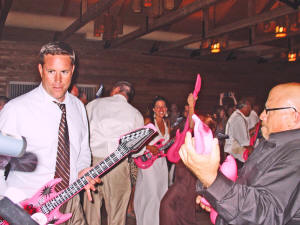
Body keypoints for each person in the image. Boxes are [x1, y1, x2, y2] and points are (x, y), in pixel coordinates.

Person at [0, 41, 100, 225]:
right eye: (51, 71)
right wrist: (9, 210)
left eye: (64, 72)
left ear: (73, 71)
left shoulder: (78, 107)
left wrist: (81, 171)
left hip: (70, 203)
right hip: (26, 207)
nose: (58, 80)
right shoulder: (16, 109)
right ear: (40, 70)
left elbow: (83, 152)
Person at [179, 82, 300, 225]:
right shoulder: (273, 144)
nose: (261, 116)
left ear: (294, 116)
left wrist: (212, 179)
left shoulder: (296, 155)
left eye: (268, 110)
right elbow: (249, 188)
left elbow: (265, 214)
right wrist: (216, 198)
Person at [83, 81, 144, 225]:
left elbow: (81, 132)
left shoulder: (93, 105)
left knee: (91, 211)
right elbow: (138, 150)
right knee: (117, 212)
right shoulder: (135, 114)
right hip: (118, 164)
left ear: (116, 89)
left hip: (93, 163)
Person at [159, 93, 198, 225]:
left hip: (189, 169)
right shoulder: (182, 122)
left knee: (169, 205)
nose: (187, 112)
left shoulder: (197, 122)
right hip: (180, 168)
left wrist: (192, 106)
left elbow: (192, 127)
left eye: (189, 110)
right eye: (186, 110)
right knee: (180, 207)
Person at [134, 96, 170, 225]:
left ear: (166, 109)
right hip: (148, 161)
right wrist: (149, 147)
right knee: (153, 194)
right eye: (158, 106)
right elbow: (137, 141)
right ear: (154, 109)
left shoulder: (167, 123)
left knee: (161, 193)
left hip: (162, 162)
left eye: (163, 106)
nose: (161, 109)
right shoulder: (148, 121)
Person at [224, 98, 252, 168]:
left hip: (235, 154)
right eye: (249, 107)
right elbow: (243, 142)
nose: (250, 110)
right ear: (244, 107)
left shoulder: (236, 116)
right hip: (236, 156)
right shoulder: (238, 118)